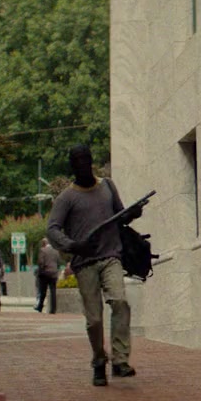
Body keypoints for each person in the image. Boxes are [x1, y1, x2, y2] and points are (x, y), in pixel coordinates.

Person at [47, 144, 141, 387]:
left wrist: (132, 213)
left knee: (119, 301)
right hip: (85, 263)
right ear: (72, 166)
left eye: (86, 160)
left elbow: (120, 216)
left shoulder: (107, 186)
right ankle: (99, 360)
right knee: (94, 319)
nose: (83, 165)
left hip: (111, 257)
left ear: (91, 161)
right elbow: (52, 229)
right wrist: (73, 246)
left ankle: (120, 360)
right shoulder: (66, 198)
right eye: (77, 162)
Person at [35, 238, 61, 313]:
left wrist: (41, 270)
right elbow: (58, 262)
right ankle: (53, 309)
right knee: (53, 291)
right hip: (54, 273)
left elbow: (41, 262)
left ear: (43, 244)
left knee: (43, 291)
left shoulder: (42, 250)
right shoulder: (56, 251)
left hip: (45, 273)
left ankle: (40, 306)